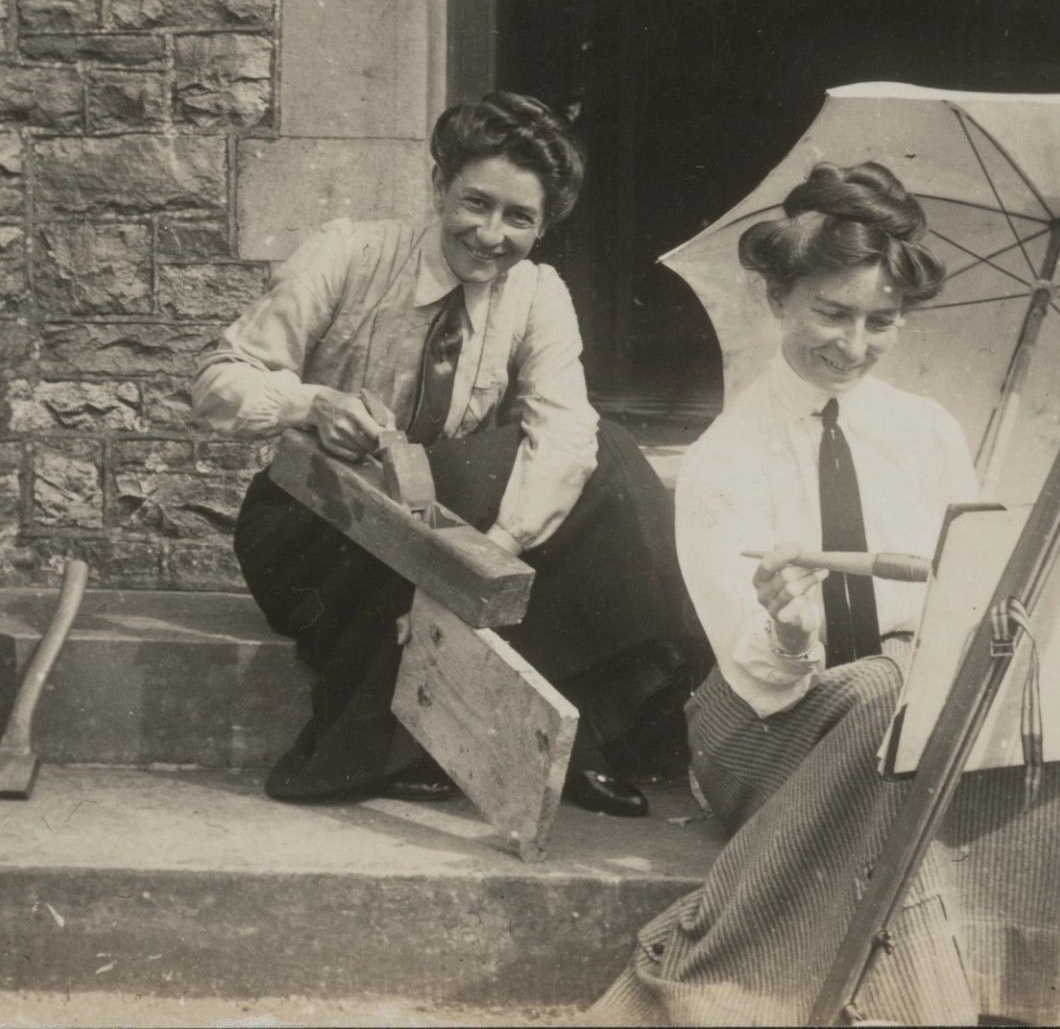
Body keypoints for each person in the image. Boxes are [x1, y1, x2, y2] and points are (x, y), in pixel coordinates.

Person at [590, 160, 1060, 1025]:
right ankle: (911, 998)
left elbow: (966, 601)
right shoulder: (726, 455)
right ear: (777, 300)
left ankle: (1044, 991)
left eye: (881, 321)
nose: (852, 344)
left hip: (901, 711)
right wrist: (791, 628)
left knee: (1048, 710)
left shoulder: (927, 434)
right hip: (763, 725)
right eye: (831, 313)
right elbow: (760, 675)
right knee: (889, 694)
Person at [192, 92, 707, 817]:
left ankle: (585, 723)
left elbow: (565, 438)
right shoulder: (349, 252)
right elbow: (215, 383)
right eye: (476, 203)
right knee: (469, 480)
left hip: (440, 532)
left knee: (604, 458)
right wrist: (310, 404)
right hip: (316, 531)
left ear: (544, 225)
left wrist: (488, 561)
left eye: (519, 218)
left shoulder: (536, 295)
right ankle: (390, 743)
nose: (491, 234)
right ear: (439, 188)